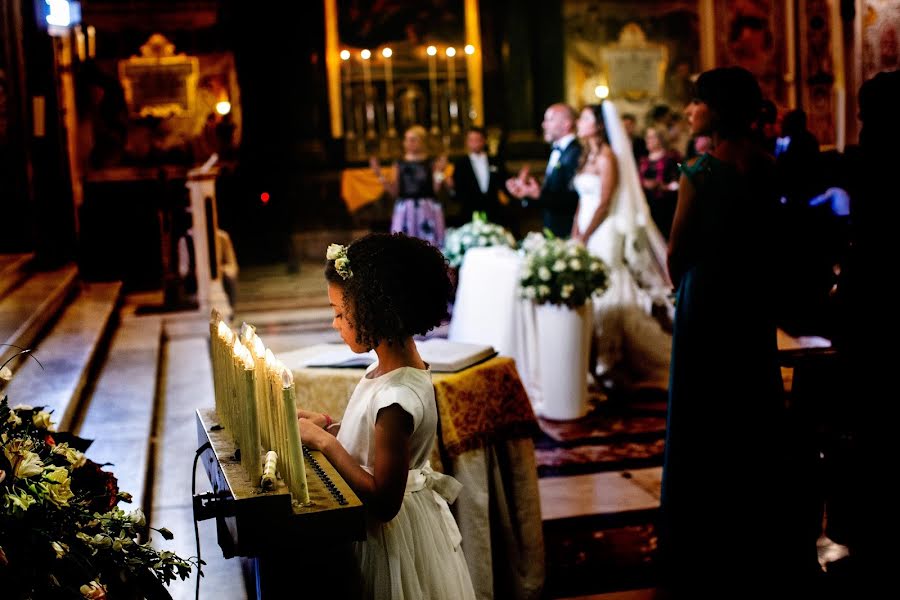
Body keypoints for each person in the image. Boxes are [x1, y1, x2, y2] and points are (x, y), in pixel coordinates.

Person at [661, 66, 813, 596]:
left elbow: (677, 251)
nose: (688, 110)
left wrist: (682, 282)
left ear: (716, 109)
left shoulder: (700, 170)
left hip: (706, 298)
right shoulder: (766, 164)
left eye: (695, 101)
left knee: (703, 407)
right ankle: (759, 524)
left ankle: (703, 529)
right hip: (750, 298)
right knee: (751, 399)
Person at [297, 233, 476, 600]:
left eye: (340, 313)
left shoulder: (397, 398)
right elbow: (370, 444)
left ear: (374, 311)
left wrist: (326, 443)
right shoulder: (391, 370)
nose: (335, 323)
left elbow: (383, 501)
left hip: (388, 542)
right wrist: (330, 425)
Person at [571, 102, 674, 390]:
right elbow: (584, 199)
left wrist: (588, 232)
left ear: (600, 125)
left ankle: (609, 355)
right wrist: (576, 229)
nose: (580, 122)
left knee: (608, 285)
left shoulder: (607, 157)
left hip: (605, 229)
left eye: (585, 118)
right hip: (587, 228)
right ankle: (591, 354)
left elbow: (604, 201)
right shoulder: (586, 155)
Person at [506, 103, 581, 238]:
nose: (544, 124)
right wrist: (527, 192)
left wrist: (538, 195)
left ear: (566, 124)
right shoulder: (558, 150)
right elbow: (554, 190)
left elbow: (573, 198)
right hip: (552, 226)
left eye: (549, 119)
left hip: (568, 229)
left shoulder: (575, 153)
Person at [371, 125, 448, 247]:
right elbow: (394, 192)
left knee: (429, 246)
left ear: (422, 141)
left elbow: (435, 190)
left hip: (427, 208)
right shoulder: (399, 164)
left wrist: (440, 172)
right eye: (406, 139)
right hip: (406, 209)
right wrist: (379, 175)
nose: (408, 143)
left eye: (413, 140)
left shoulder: (430, 162)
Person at [447, 126, 509, 227]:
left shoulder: (495, 161)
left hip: (494, 210)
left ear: (484, 141)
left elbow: (504, 182)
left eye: (478, 140)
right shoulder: (460, 163)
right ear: (467, 142)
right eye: (471, 140)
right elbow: (457, 189)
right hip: (469, 211)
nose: (475, 143)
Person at [639, 126, 681, 239]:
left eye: (652, 137)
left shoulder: (672, 157)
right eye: (647, 137)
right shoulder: (643, 160)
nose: (648, 140)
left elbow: (679, 183)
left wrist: (662, 186)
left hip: (666, 206)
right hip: (647, 205)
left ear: (661, 139)